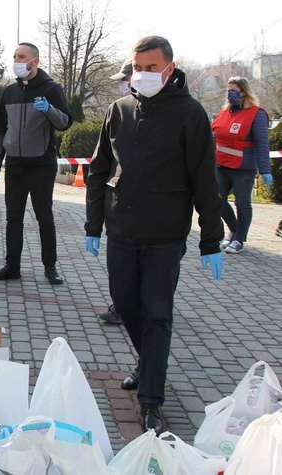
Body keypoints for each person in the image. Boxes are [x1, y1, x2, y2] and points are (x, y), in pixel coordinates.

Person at [84, 36, 225, 435]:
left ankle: (151, 401)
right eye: (137, 67)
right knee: (127, 306)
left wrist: (210, 239)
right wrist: (94, 224)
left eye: (150, 67)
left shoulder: (190, 114)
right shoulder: (119, 110)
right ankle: (149, 367)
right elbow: (99, 170)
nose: (141, 75)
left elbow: (204, 180)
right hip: (122, 231)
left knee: (158, 315)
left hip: (165, 235)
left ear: (169, 68)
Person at [0, 42, 72, 285]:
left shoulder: (51, 89)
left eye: (21, 57)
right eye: (14, 57)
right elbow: (1, 129)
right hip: (14, 165)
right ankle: (12, 267)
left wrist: (49, 110)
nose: (17, 61)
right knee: (13, 218)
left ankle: (50, 266)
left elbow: (65, 122)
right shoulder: (10, 92)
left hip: (41, 164)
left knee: (44, 216)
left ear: (35, 61)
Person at [212, 76, 272, 254]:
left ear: (244, 92)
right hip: (221, 164)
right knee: (217, 199)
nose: (230, 94)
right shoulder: (225, 112)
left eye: (233, 91)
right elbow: (214, 135)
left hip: (243, 167)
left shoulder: (256, 114)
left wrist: (265, 170)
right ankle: (234, 229)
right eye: (228, 90)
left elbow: (262, 143)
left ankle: (239, 239)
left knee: (242, 203)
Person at [97, 59, 136, 324]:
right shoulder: (119, 111)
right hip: (123, 208)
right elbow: (102, 164)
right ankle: (122, 307)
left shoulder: (185, 112)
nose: (123, 84)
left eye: (126, 78)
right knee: (123, 270)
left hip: (164, 218)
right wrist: (93, 222)